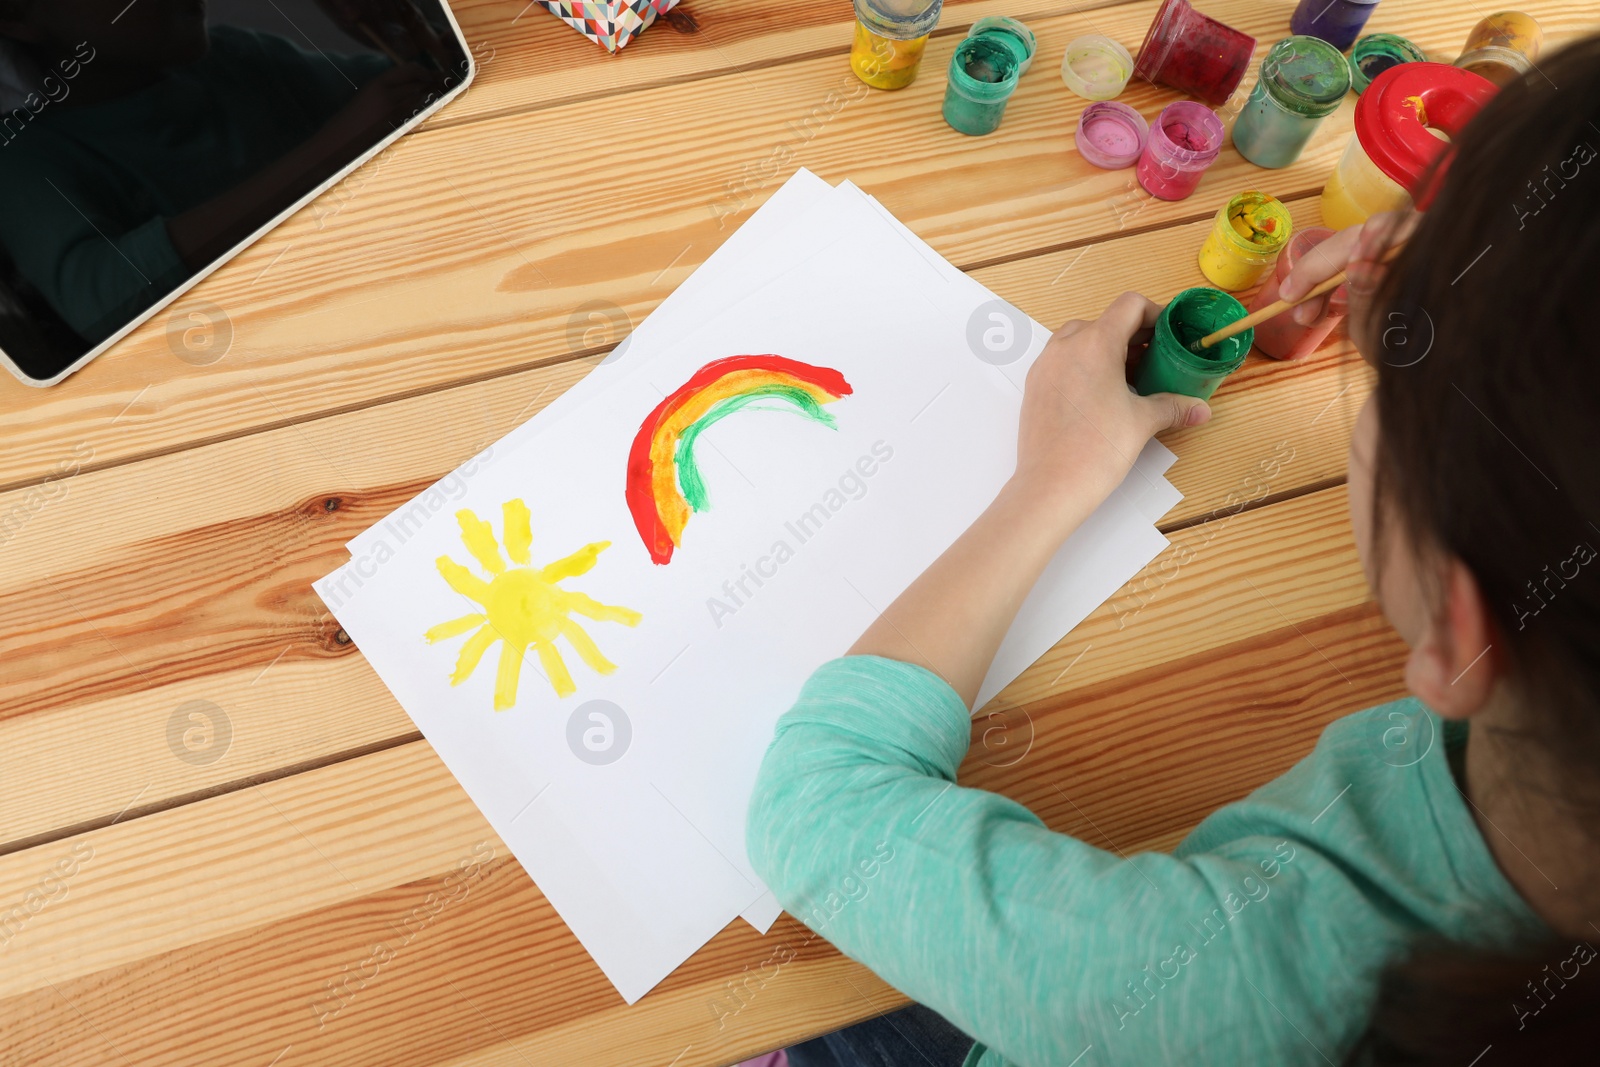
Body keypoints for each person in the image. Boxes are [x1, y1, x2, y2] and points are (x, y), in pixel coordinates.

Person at [746, 33, 1600, 1067]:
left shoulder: (1241, 996)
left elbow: (817, 804)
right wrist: (1460, 332)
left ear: (1460, 628)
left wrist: (1052, 479)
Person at [0, 0, 445, 345]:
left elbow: (415, 94)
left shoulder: (236, 58)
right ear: (18, 15)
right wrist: (331, 150)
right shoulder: (25, 156)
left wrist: (413, 41)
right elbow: (104, 300)